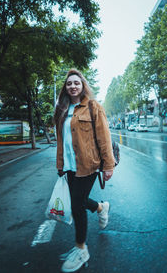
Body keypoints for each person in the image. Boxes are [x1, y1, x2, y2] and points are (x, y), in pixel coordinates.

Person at [53, 68, 115, 273]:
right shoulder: (61, 110)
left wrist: (108, 165)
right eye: (69, 83)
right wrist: (60, 164)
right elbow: (60, 140)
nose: (72, 86)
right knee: (75, 202)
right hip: (70, 167)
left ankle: (81, 249)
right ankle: (100, 207)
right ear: (66, 87)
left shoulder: (92, 107)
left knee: (77, 206)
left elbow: (104, 137)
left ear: (82, 86)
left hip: (88, 165)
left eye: (76, 83)